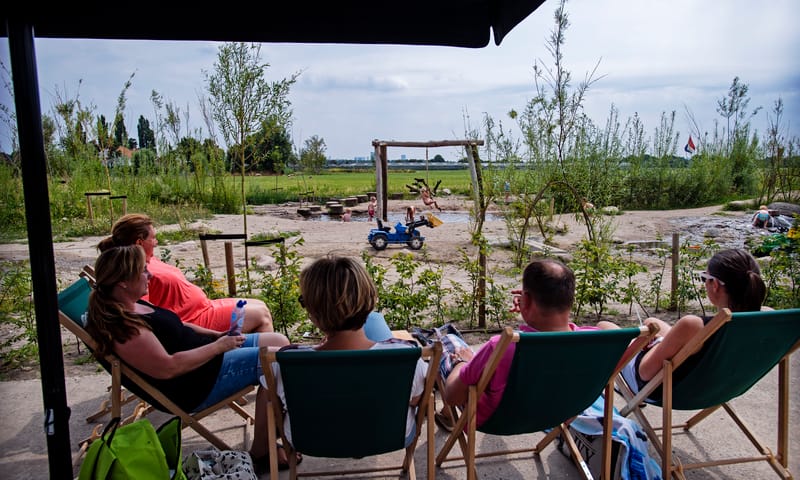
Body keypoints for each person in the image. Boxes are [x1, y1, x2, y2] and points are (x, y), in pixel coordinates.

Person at [83, 245, 297, 470]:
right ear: (123, 282)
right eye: (143, 271)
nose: (151, 275)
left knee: (280, 342)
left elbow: (180, 324)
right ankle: (262, 451)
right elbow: (168, 368)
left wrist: (216, 335)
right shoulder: (123, 327)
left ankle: (273, 437)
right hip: (196, 383)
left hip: (206, 359)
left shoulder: (132, 303)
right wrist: (218, 347)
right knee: (278, 362)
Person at [273, 255, 428, 448]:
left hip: (310, 440)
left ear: (312, 312)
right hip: (389, 437)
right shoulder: (407, 355)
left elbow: (278, 410)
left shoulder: (285, 362)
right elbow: (415, 400)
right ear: (370, 300)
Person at [437, 258, 596, 430]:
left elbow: (452, 397)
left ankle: (448, 414)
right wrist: (530, 305)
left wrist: (463, 363)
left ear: (525, 300)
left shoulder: (501, 347)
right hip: (555, 415)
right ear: (571, 299)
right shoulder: (595, 342)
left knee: (450, 343)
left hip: (492, 420)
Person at [603, 248, 767, 398]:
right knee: (652, 321)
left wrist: (647, 345)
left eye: (705, 278)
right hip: (718, 386)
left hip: (666, 389)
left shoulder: (692, 325)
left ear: (715, 285)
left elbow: (644, 373)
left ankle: (628, 391)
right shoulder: (765, 319)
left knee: (605, 327)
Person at [98, 214, 274, 333]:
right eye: (153, 238)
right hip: (194, 320)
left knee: (260, 304)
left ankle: (264, 370)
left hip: (203, 308)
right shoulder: (136, 272)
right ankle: (266, 375)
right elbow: (144, 313)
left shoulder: (147, 260)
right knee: (261, 315)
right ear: (139, 242)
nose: (157, 242)